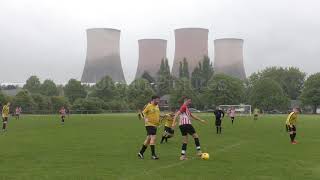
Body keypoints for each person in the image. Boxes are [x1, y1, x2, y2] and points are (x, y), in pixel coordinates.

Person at [137, 96, 161, 160]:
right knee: (153, 138)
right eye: (157, 100)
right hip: (149, 125)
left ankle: (140, 153)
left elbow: (157, 115)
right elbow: (143, 113)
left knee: (148, 139)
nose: (158, 101)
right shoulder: (149, 106)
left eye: (159, 100)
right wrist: (145, 119)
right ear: (153, 100)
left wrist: (162, 117)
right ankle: (153, 155)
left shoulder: (157, 106)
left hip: (154, 125)